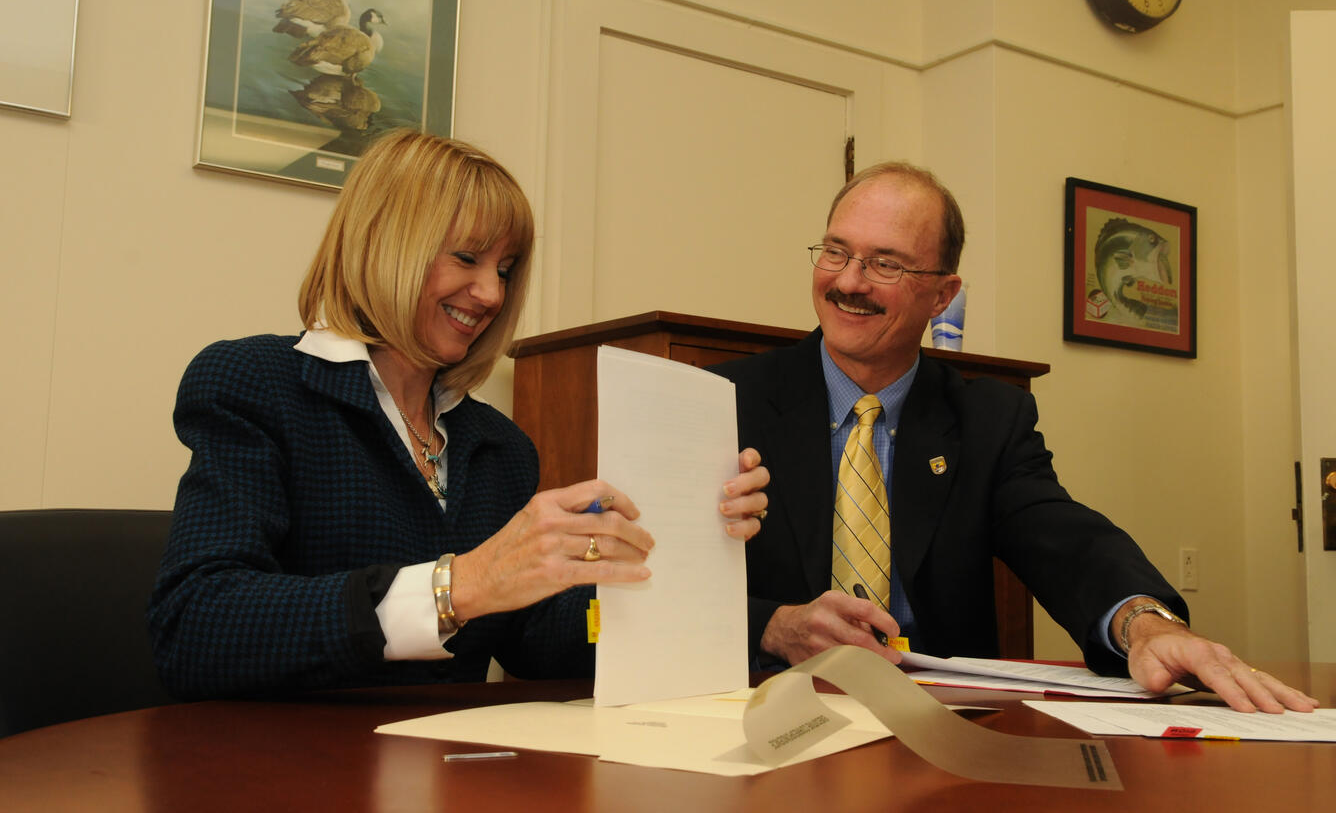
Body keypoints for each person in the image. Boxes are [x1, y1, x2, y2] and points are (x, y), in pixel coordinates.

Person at [148, 131, 768, 699]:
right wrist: (460, 586)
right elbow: (196, 626)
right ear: (387, 245)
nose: (493, 294)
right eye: (467, 258)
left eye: (504, 270)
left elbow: (533, 643)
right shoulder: (256, 384)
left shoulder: (499, 445)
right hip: (290, 772)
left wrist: (673, 547)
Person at [711, 161, 1317, 714]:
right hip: (760, 717)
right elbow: (652, 592)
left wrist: (1144, 623)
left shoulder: (989, 419)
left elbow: (1062, 537)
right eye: (837, 252)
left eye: (886, 264)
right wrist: (776, 626)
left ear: (943, 295)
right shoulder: (722, 401)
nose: (849, 281)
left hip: (941, 735)